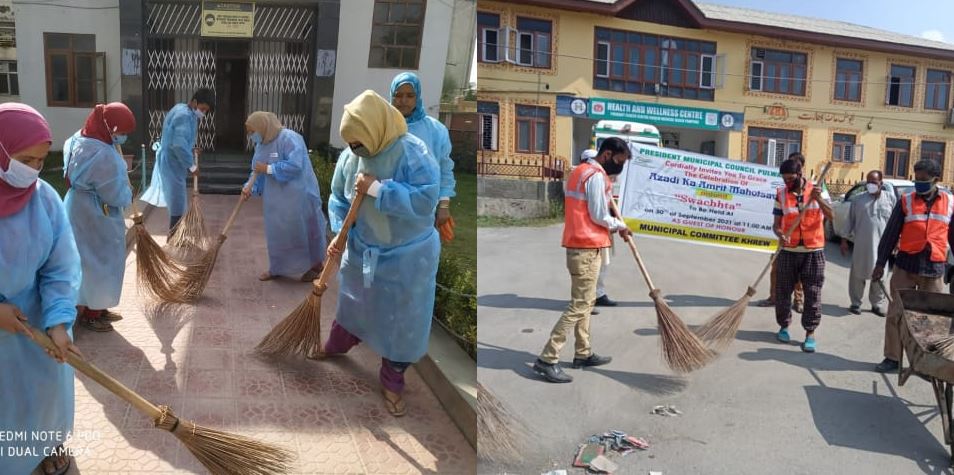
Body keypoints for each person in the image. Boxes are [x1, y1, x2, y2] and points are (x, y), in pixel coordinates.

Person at [320, 90, 440, 417]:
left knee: (402, 320)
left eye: (357, 142)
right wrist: (340, 231)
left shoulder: (412, 153)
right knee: (355, 300)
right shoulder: (351, 157)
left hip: (407, 258)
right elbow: (337, 197)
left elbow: (425, 201)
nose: (353, 149)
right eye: (349, 143)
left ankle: (392, 378)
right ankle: (339, 344)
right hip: (364, 251)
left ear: (375, 129)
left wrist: (377, 189)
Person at [0, 103, 82, 475]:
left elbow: (59, 267)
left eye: (39, 161)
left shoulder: (43, 197)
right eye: (25, 159)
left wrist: (58, 322)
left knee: (44, 394)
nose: (33, 170)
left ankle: (43, 448)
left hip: (35, 319)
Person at [533, 137, 633, 383]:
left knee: (586, 304)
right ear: (607, 154)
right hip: (586, 247)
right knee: (579, 305)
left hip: (582, 245)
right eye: (619, 161)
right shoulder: (595, 176)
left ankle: (583, 352)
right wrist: (620, 225)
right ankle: (547, 358)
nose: (620, 167)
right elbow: (599, 215)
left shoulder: (581, 171)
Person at [872, 159, 954, 373]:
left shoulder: (950, 202)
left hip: (934, 268)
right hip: (906, 266)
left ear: (936, 180)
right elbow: (890, 234)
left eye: (923, 180)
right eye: (916, 179)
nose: (918, 183)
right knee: (896, 314)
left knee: (932, 319)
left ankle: (926, 363)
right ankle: (892, 357)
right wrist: (880, 264)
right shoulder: (906, 200)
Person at [63, 103, 136, 332]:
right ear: (108, 127)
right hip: (96, 213)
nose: (122, 137)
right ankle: (91, 314)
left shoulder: (77, 139)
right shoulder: (104, 155)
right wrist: (127, 190)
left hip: (77, 205)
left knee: (85, 259)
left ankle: (96, 307)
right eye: (121, 133)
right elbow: (114, 195)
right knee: (102, 261)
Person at [240, 111, 327, 282]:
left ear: (262, 127)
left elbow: (295, 165)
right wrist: (249, 188)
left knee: (303, 232)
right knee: (277, 233)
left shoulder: (289, 138)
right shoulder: (262, 145)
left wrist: (269, 168)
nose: (251, 136)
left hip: (299, 195)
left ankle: (316, 266)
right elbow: (257, 171)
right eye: (249, 132)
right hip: (276, 200)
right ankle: (277, 268)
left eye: (252, 131)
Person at [773, 157, 833, 353]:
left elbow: (832, 215)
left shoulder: (817, 189)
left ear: (800, 175)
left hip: (813, 251)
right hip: (788, 251)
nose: (786, 182)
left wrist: (819, 199)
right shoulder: (781, 194)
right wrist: (780, 233)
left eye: (790, 178)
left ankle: (810, 333)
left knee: (813, 293)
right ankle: (783, 326)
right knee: (783, 292)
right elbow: (776, 224)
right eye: (784, 179)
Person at [142, 87, 215, 232]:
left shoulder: (182, 110)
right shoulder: (184, 116)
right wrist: (192, 166)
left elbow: (177, 139)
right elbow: (178, 145)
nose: (203, 113)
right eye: (202, 108)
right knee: (177, 203)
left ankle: (176, 237)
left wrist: (191, 149)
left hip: (172, 162)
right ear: (194, 102)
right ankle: (173, 239)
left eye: (206, 111)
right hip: (172, 164)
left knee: (177, 202)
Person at [389, 72, 456, 228]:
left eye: (410, 95)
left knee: (418, 250)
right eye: (398, 95)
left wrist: (444, 205)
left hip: (423, 208)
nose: (403, 101)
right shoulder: (382, 127)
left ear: (417, 96)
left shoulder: (436, 130)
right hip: (387, 205)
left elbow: (444, 169)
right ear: (391, 96)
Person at [758, 152, 811, 311]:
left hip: (803, 242)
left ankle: (798, 299)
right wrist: (780, 233)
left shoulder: (810, 189)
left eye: (797, 164)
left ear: (800, 169)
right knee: (775, 268)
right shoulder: (782, 192)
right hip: (784, 238)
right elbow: (777, 219)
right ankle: (774, 296)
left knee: (798, 275)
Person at [840, 170, 895, 316]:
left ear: (881, 183)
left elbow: (895, 223)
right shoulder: (858, 200)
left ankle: (877, 304)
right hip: (862, 244)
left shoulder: (890, 199)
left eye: (874, 182)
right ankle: (855, 303)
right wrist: (844, 240)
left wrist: (898, 241)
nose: (871, 185)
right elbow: (849, 220)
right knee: (858, 274)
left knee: (880, 275)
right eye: (868, 182)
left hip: (883, 247)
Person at [579, 148, 617, 309]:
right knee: (589, 268)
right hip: (588, 231)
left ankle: (599, 294)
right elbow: (595, 212)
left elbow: (605, 203)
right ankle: (586, 301)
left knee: (604, 263)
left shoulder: (600, 177)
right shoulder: (587, 178)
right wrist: (617, 224)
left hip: (601, 229)